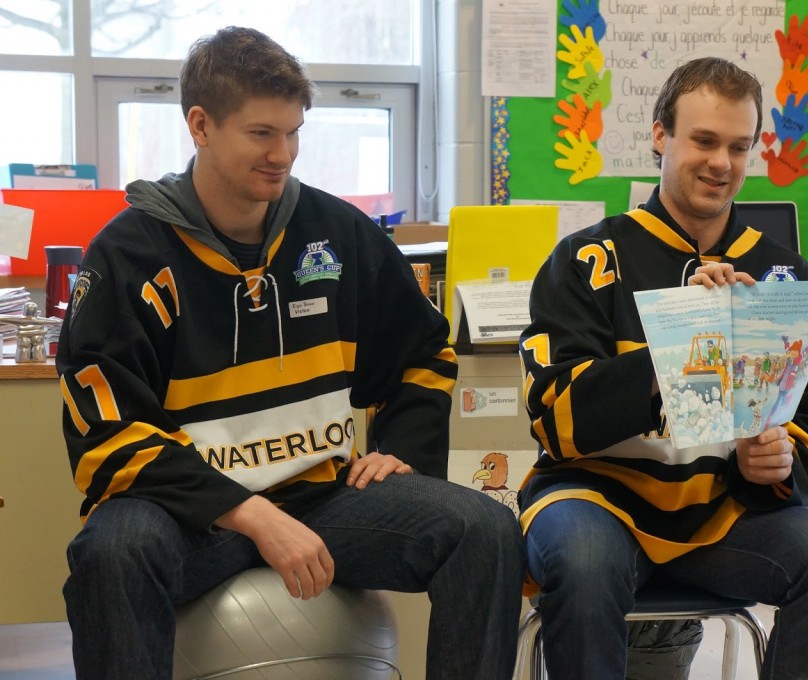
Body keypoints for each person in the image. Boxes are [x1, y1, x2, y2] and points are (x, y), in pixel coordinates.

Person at [56, 26, 524, 680]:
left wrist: (404, 451)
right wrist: (253, 517)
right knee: (112, 552)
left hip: (322, 500)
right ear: (200, 125)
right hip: (191, 517)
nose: (284, 154)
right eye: (261, 134)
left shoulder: (338, 235)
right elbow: (105, 435)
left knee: (485, 531)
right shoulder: (127, 257)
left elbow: (423, 350)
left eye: (294, 131)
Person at [517, 56, 808, 679]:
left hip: (723, 514)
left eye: (738, 146)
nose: (722, 163)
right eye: (703, 141)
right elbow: (550, 417)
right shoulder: (585, 258)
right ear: (660, 136)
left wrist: (778, 465)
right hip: (596, 500)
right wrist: (678, 350)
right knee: (586, 563)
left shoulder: (783, 276)